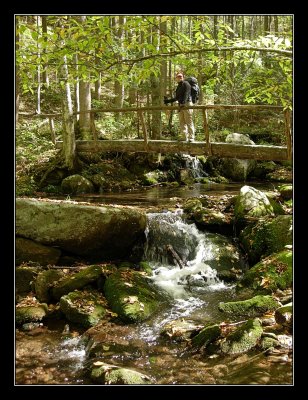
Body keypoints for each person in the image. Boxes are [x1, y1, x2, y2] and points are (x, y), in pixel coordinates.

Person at [164, 73, 195, 142]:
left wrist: (183, 103)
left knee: (188, 121)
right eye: (178, 77)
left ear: (183, 77)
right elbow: (177, 98)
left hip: (187, 104)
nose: (179, 77)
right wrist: (168, 101)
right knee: (182, 121)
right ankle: (184, 137)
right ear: (176, 78)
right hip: (180, 105)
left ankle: (191, 137)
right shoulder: (178, 87)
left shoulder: (186, 84)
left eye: (180, 76)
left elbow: (187, 93)